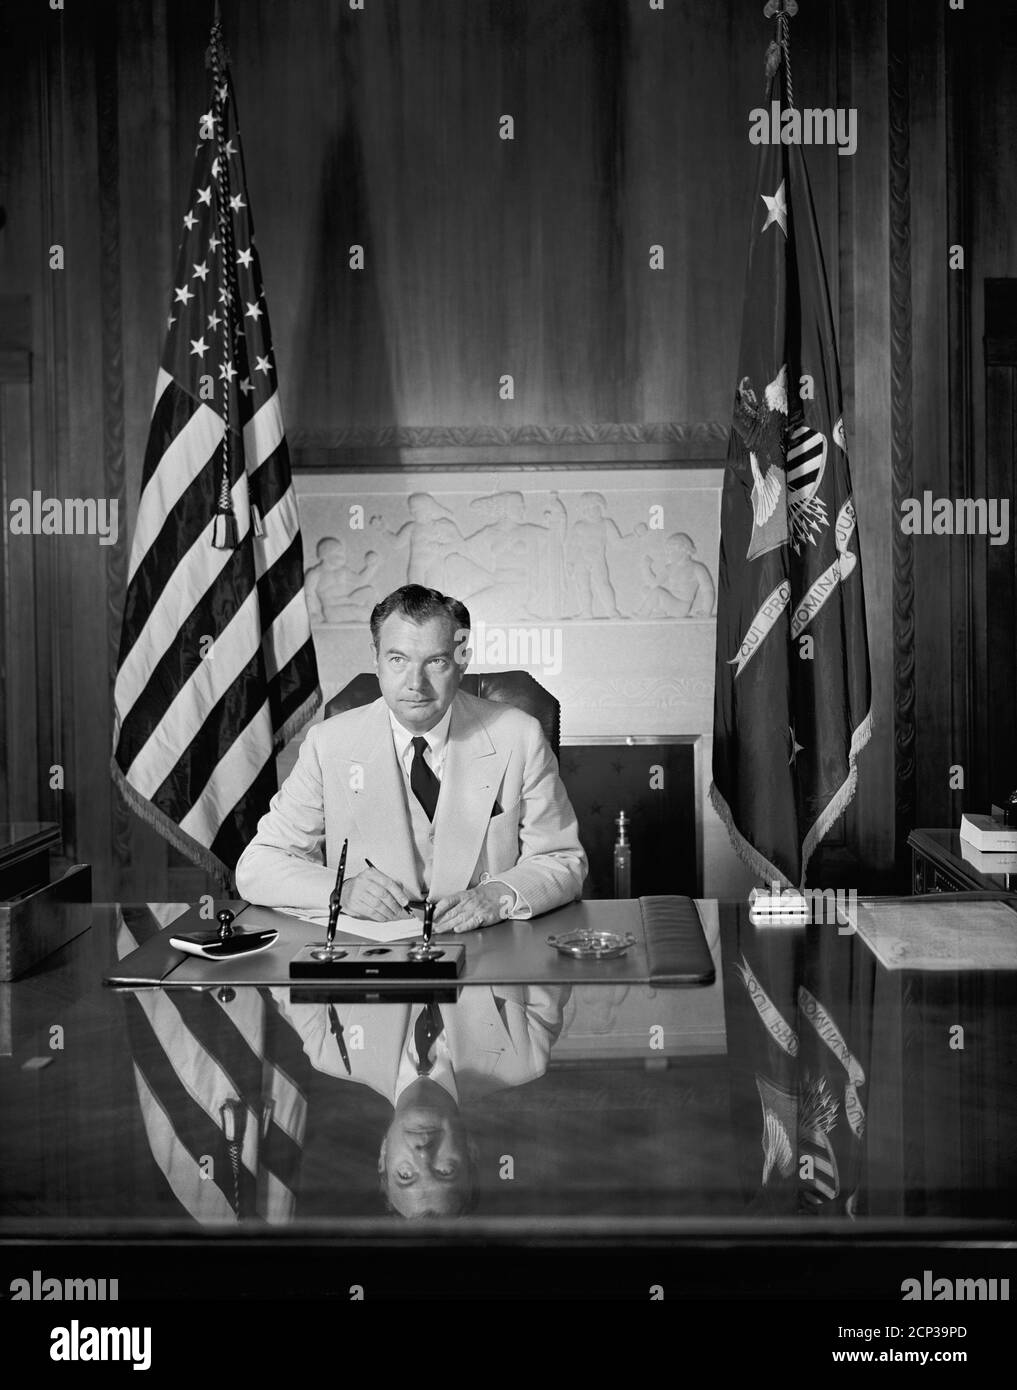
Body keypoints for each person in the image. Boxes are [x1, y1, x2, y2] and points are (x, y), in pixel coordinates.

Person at [235, 584, 587, 931]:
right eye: (398, 660)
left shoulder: (519, 736)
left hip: (487, 943)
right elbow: (258, 865)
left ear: (461, 662)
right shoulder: (328, 744)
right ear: (376, 659)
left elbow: (563, 860)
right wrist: (341, 890)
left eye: (435, 661)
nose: (415, 683)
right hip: (371, 952)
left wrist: (497, 895)